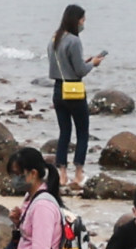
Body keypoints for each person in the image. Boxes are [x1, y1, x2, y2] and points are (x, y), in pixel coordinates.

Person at [40, 9, 100, 177]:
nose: (83, 23)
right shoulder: (74, 41)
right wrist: (93, 63)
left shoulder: (54, 38)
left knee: (64, 131)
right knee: (82, 132)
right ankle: (79, 172)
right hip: (73, 90)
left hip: (58, 89)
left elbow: (59, 65)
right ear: (77, 20)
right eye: (83, 20)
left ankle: (62, 173)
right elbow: (80, 71)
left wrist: (82, 63)